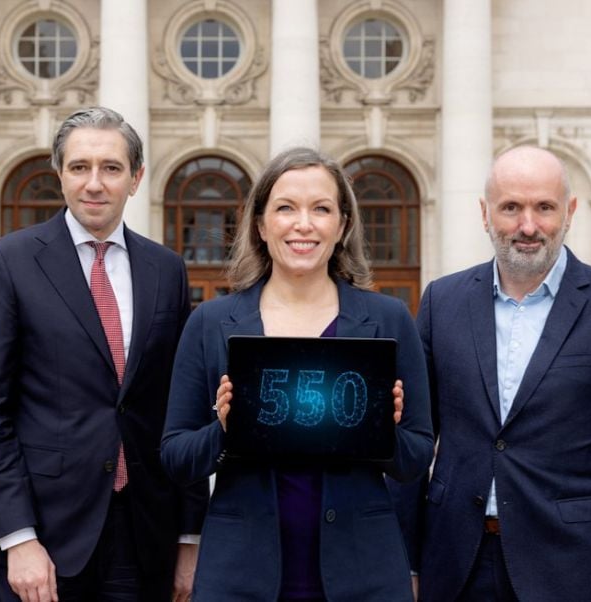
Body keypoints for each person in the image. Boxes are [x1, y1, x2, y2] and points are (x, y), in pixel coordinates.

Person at [398, 145, 591, 601]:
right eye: (511, 208)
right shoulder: (441, 303)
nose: (528, 226)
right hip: (455, 569)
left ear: (569, 212)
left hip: (571, 572)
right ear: (485, 214)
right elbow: (411, 447)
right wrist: (406, 562)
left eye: (543, 207)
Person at [160, 147, 434, 601]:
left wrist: (381, 430)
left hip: (363, 574)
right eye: (285, 208)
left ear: (342, 225)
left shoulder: (389, 320)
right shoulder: (210, 323)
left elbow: (415, 459)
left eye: (321, 209)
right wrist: (225, 429)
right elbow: (176, 457)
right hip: (239, 575)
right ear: (261, 225)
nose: (303, 224)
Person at [0, 106, 208, 602]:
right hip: (46, 541)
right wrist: (17, 537)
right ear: (60, 175)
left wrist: (189, 537)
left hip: (145, 536)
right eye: (80, 167)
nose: (94, 183)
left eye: (111, 168)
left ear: (135, 179)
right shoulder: (8, 263)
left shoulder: (166, 270)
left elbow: (182, 408)